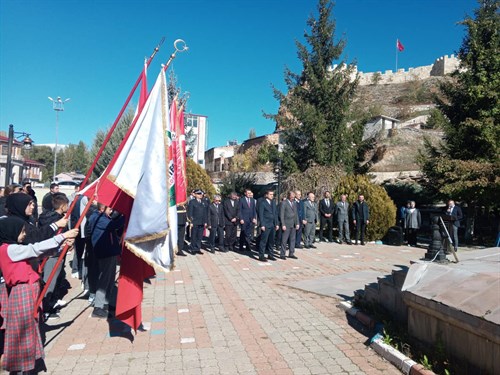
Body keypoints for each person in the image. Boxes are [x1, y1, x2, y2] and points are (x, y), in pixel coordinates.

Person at [0, 215, 78, 374]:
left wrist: (61, 245)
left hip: (28, 291)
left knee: (30, 327)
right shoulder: (8, 249)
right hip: (21, 292)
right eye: (21, 232)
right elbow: (34, 249)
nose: (23, 235)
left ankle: (27, 365)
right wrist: (62, 236)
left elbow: (37, 254)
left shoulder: (15, 247)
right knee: (23, 330)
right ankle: (20, 367)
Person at [38, 193, 72, 319]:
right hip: (52, 253)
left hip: (56, 252)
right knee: (49, 281)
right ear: (62, 206)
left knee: (55, 279)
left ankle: (51, 302)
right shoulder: (57, 220)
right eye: (67, 204)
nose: (68, 207)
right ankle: (46, 309)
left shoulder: (51, 217)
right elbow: (53, 235)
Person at [89, 203, 125, 318]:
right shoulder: (98, 218)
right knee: (104, 279)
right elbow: (113, 226)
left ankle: (106, 302)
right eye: (110, 209)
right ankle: (98, 306)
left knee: (109, 279)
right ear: (102, 208)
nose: (111, 211)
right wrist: (125, 216)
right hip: (105, 252)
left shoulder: (103, 217)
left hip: (110, 251)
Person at [257, 190, 279, 261]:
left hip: (272, 224)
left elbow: (275, 214)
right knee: (264, 241)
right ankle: (261, 255)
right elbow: (261, 215)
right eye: (270, 194)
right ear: (266, 195)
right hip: (266, 224)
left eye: (272, 194)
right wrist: (262, 225)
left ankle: (270, 254)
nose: (272, 196)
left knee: (271, 241)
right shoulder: (262, 203)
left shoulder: (273, 202)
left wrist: (277, 223)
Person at [187, 189, 208, 255]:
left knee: (199, 237)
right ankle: (192, 248)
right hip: (195, 222)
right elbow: (190, 212)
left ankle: (197, 248)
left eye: (201, 194)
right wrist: (191, 222)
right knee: (194, 236)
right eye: (199, 194)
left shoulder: (204, 202)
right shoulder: (192, 202)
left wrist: (205, 221)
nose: (200, 195)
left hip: (201, 222)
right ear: (195, 194)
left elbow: (205, 213)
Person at [280, 191, 299, 260]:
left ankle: (291, 253)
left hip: (293, 224)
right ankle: (282, 254)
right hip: (286, 224)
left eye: (294, 196)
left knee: (292, 239)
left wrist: (297, 223)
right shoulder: (284, 203)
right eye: (292, 196)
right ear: (288, 196)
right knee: (284, 240)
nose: (293, 198)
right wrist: (283, 224)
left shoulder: (294, 203)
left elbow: (296, 214)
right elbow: (281, 214)